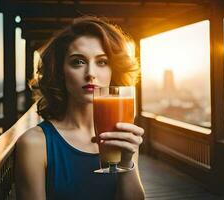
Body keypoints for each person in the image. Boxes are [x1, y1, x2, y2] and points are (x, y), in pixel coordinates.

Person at [15, 16, 145, 200]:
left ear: (113, 70)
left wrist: (127, 163)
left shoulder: (122, 136)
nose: (90, 73)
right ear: (60, 71)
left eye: (102, 62)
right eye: (78, 62)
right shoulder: (34, 143)